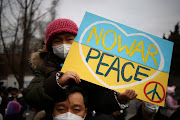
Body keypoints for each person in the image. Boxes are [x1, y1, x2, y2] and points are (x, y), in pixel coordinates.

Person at [23, 18, 137, 118]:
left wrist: (119, 97)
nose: (63, 44)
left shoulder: (90, 66)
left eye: (69, 39)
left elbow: (99, 101)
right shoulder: (44, 66)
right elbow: (31, 97)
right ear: (50, 46)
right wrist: (58, 81)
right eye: (57, 41)